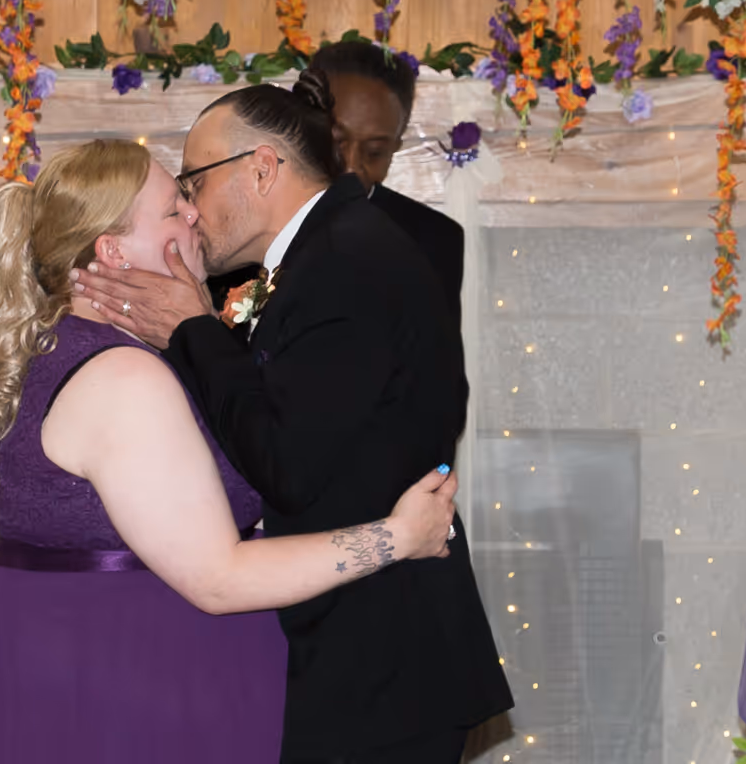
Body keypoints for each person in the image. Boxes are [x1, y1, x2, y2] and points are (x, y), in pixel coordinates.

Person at [0, 139, 462, 763]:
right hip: (145, 694)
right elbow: (219, 577)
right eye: (172, 209)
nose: (193, 215)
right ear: (112, 249)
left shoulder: (59, 348)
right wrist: (399, 537)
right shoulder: (124, 381)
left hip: (102, 675)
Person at [71, 76, 513, 762]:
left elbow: (288, 465)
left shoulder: (346, 262)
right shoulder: (326, 251)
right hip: (359, 655)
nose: (189, 208)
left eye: (194, 182)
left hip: (379, 666)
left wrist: (195, 331)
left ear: (262, 168)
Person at [309, 40, 465, 328]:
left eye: (375, 152)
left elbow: (438, 370)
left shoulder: (432, 241)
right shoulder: (252, 221)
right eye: (336, 141)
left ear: (395, 148)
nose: (351, 166)